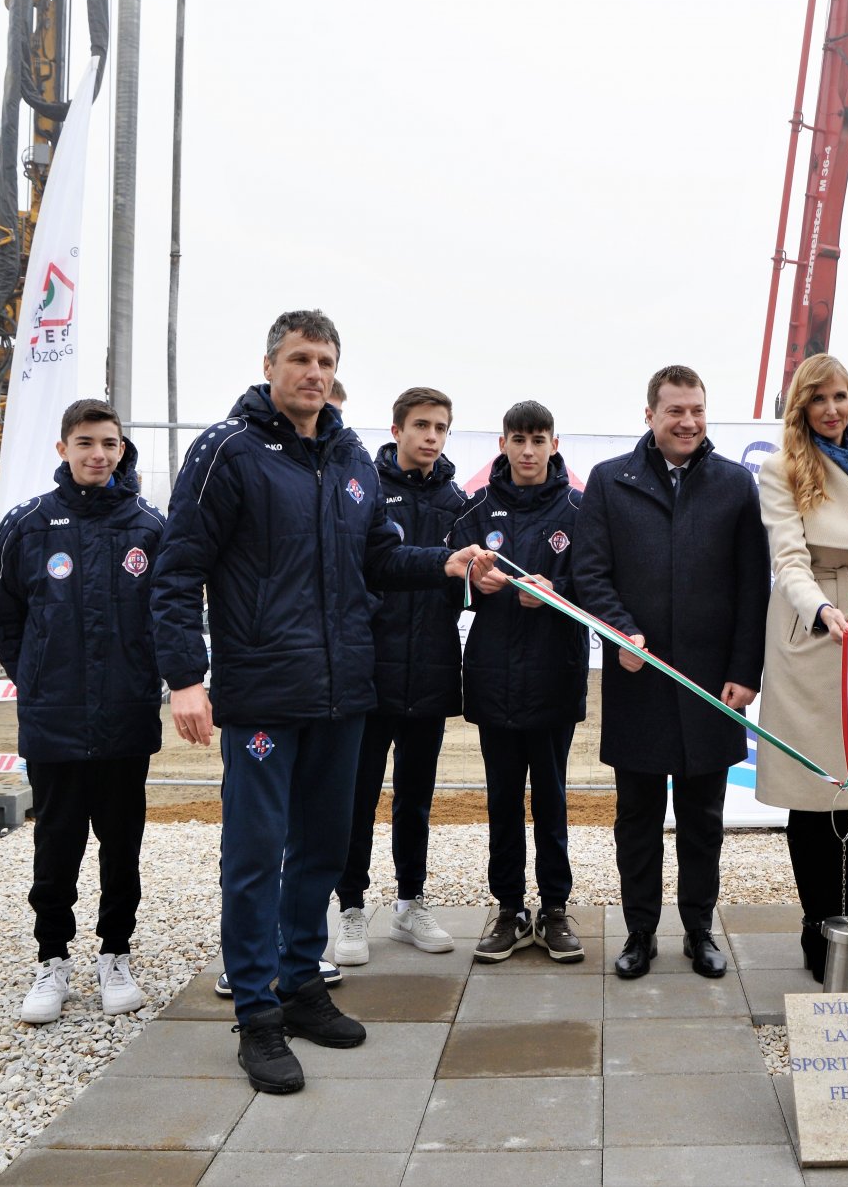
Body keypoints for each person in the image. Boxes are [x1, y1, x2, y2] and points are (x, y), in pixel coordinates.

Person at [151, 310, 490, 1095]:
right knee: (255, 853)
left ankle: (302, 986)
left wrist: (450, 563)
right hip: (265, 696)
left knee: (323, 848)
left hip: (344, 695)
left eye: (325, 359)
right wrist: (186, 677)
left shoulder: (348, 459)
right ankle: (258, 1017)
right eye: (300, 358)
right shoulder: (226, 452)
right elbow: (177, 572)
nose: (313, 371)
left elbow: (376, 555)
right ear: (270, 364)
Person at [573, 365, 770, 979]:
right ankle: (639, 933)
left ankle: (699, 930)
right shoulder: (611, 483)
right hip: (640, 678)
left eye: (697, 411)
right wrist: (618, 628)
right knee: (636, 818)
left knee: (703, 818)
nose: (687, 422)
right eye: (675, 411)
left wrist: (745, 670)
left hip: (711, 685)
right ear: (650, 415)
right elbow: (590, 574)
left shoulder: (735, 484)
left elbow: (750, 585)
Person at [0, 398, 165, 1026]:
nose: (98, 454)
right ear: (62, 448)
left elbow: (169, 612)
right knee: (56, 844)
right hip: (54, 721)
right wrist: (37, 677)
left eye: (109, 443)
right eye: (86, 442)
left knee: (123, 844)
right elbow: (5, 617)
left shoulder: (148, 525)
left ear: (122, 450)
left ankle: (115, 954)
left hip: (125, 719)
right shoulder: (26, 526)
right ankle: (52, 960)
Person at [755, 354, 848, 980]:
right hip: (810, 631)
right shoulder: (781, 466)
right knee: (812, 791)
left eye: (841, 396)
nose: (833, 409)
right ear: (802, 405)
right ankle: (816, 930)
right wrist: (818, 609)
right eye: (820, 399)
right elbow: (787, 560)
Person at [332, 387, 465, 964]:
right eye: (421, 426)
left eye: (440, 427)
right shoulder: (366, 492)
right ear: (397, 430)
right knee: (357, 798)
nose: (431, 437)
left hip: (432, 671)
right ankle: (353, 908)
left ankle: (411, 903)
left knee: (416, 799)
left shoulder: (461, 504)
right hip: (371, 673)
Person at [452, 401, 588, 965]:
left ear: (555, 444)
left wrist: (557, 594)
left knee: (552, 799)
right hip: (493, 681)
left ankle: (555, 908)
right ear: (502, 444)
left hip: (554, 679)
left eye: (538, 440)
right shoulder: (474, 510)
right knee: (502, 801)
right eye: (518, 440)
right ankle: (508, 909)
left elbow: (597, 589)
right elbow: (447, 579)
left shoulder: (580, 510)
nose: (528, 450)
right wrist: (472, 589)